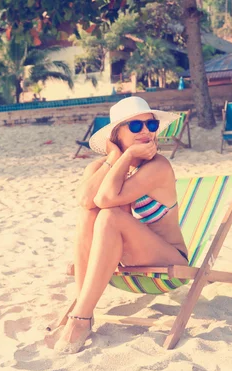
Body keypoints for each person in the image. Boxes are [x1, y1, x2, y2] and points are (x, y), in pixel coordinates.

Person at [54, 97, 190, 354]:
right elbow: (86, 200)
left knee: (109, 215)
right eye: (135, 126)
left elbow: (106, 199)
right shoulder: (102, 165)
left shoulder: (158, 166)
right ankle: (86, 312)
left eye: (150, 124)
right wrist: (116, 158)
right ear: (116, 134)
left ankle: (80, 317)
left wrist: (125, 155)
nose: (147, 131)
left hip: (169, 258)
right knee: (89, 215)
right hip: (127, 257)